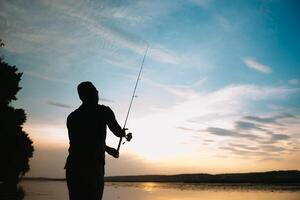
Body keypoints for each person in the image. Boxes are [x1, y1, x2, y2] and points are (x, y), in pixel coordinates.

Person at [65, 81, 129, 200]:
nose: (98, 93)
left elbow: (83, 142)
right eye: (96, 91)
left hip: (73, 168)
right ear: (91, 94)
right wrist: (123, 133)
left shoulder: (72, 117)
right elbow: (117, 132)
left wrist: (108, 150)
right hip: (93, 168)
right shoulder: (104, 111)